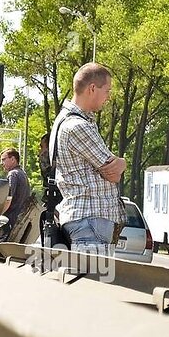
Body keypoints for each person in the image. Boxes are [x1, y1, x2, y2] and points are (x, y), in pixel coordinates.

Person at [51, 63, 127, 255]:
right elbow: (114, 174)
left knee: (84, 280)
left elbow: (112, 167)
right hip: (90, 220)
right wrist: (122, 163)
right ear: (92, 88)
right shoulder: (78, 126)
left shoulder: (65, 120)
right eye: (107, 91)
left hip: (85, 220)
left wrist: (120, 163)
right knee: (93, 282)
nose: (108, 97)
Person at [0, 147, 31, 240]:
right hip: (20, 218)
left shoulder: (13, 174)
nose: (1, 163)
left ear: (13, 159)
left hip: (11, 219)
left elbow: (8, 199)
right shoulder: (22, 173)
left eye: (4, 159)